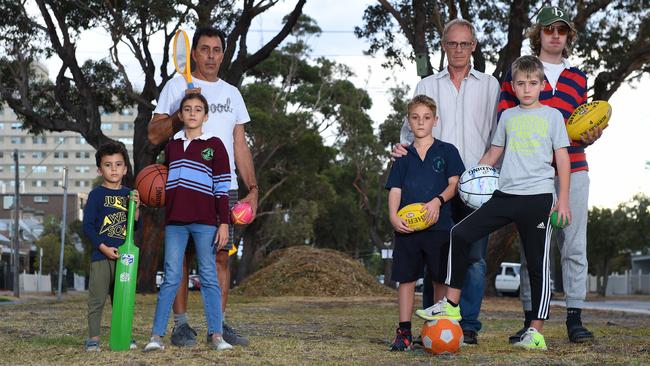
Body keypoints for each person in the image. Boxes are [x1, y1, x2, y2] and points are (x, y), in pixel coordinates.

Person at [416, 55, 572, 351]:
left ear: (542, 85)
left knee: (538, 264)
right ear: (513, 86)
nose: (527, 89)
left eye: (533, 83)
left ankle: (535, 331)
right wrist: (467, 180)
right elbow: (493, 155)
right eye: (521, 83)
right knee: (459, 234)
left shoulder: (552, 116)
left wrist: (563, 199)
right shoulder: (508, 117)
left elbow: (562, 159)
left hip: (538, 198)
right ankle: (451, 304)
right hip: (505, 194)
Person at [392, 18, 500, 344]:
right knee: (434, 257)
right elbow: (410, 128)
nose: (458, 49)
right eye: (452, 43)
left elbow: (499, 134)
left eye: (464, 44)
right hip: (434, 187)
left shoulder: (490, 85)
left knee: (475, 259)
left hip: (476, 188)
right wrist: (401, 148)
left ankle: (466, 326)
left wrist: (478, 175)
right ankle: (433, 326)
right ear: (443, 46)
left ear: (474, 47)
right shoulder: (427, 85)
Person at [148, 26, 257, 347]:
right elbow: (154, 134)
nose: (211, 56)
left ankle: (217, 326)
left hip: (222, 187)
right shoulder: (176, 85)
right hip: (183, 186)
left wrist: (253, 188)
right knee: (179, 259)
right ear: (194, 53)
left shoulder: (232, 93)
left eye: (217, 50)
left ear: (224, 54)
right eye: (205, 49)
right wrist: (180, 114)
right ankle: (181, 326)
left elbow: (240, 144)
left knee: (221, 257)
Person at [498, 6, 601, 343]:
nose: (555, 35)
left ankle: (575, 318)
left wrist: (593, 132)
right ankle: (531, 319)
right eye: (548, 30)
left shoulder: (578, 77)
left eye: (561, 30)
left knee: (574, 245)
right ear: (538, 35)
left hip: (575, 169)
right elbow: (505, 121)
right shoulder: (519, 73)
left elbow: (582, 122)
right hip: (530, 176)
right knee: (534, 248)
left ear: (568, 36)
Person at [144, 93, 232, 351]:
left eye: (198, 109)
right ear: (180, 115)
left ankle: (217, 335)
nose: (192, 113)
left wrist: (223, 223)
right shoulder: (171, 146)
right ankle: (156, 336)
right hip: (175, 223)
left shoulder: (215, 145)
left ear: (205, 116)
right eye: (187, 109)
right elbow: (163, 182)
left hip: (205, 222)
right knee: (171, 277)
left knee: (208, 276)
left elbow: (222, 188)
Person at [386, 95, 464, 351]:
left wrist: (437, 201)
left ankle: (440, 327)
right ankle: (404, 332)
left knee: (440, 278)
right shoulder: (403, 155)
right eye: (415, 117)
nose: (421, 122)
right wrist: (393, 216)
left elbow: (455, 184)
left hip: (439, 226)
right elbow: (395, 190)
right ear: (409, 121)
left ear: (435, 121)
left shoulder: (447, 150)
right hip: (408, 229)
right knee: (406, 279)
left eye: (426, 117)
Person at [83, 143, 140, 351]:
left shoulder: (129, 194)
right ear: (100, 169)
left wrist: (136, 208)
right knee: (97, 299)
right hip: (102, 256)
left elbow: (135, 226)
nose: (114, 169)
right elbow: (87, 226)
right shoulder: (96, 195)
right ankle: (94, 339)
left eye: (118, 164)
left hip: (125, 257)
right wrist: (103, 247)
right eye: (108, 165)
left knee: (122, 298)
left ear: (125, 168)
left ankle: (124, 335)